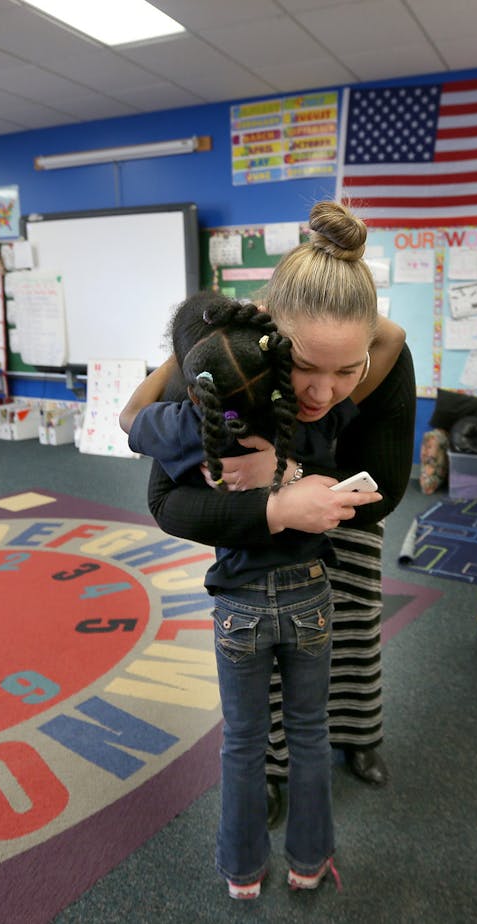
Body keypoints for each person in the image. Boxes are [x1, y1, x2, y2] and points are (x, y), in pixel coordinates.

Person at [129, 201, 416, 824]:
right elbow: (165, 499)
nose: (322, 392)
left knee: (353, 635)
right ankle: (268, 770)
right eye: (304, 366)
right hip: (248, 541)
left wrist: (294, 479)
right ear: (267, 338)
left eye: (347, 371)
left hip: (350, 518)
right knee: (260, 665)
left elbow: (387, 488)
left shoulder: (385, 357)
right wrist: (274, 507)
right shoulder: (225, 361)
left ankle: (359, 734)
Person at [126, 294, 379, 898]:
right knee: (309, 732)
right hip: (309, 598)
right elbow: (382, 353)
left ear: (196, 381)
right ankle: (309, 863)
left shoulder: (190, 426)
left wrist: (182, 360)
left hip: (237, 604)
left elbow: (132, 419)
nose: (324, 387)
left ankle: (242, 875)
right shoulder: (313, 415)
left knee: (242, 739)